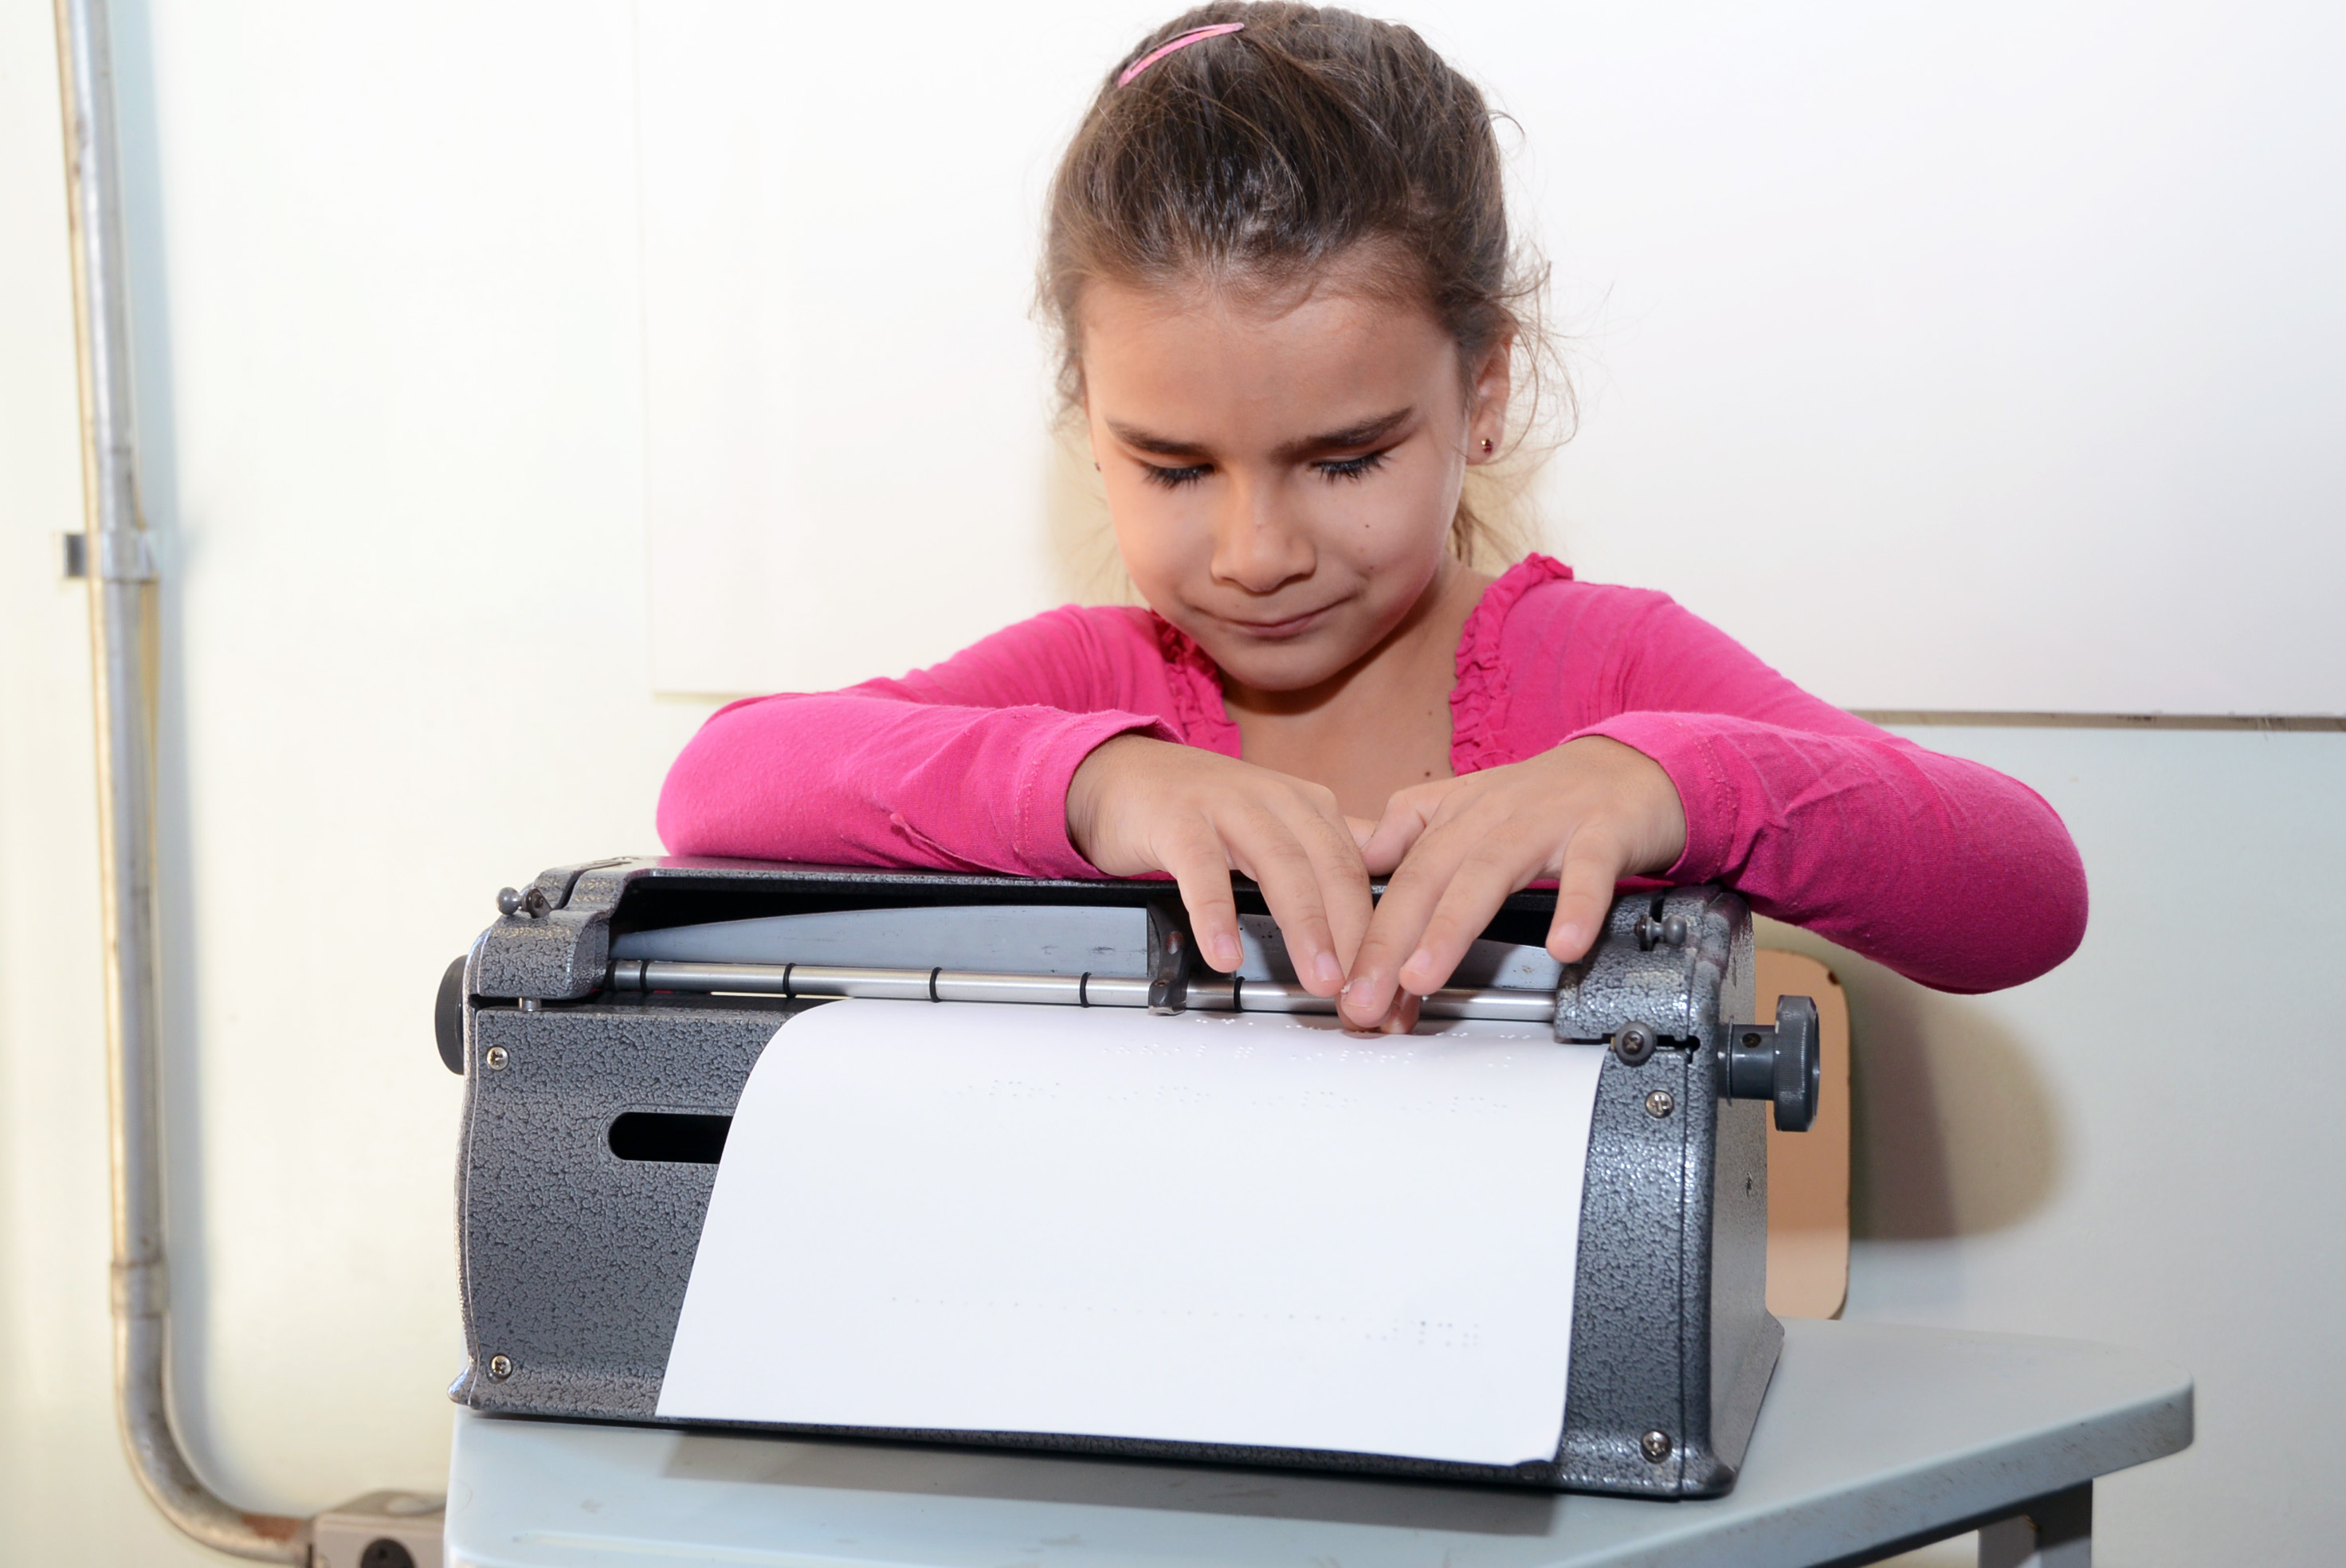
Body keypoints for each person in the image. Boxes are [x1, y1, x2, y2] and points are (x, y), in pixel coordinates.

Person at [657, 2, 2086, 1030]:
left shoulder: (1605, 674)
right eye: (1172, 469)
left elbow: (2025, 891)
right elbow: (719, 786)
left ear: (1483, 392)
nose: (1257, 555)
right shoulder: (1099, 689)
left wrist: (1668, 786)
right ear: (1087, 421)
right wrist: (1098, 789)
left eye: (1344, 461)